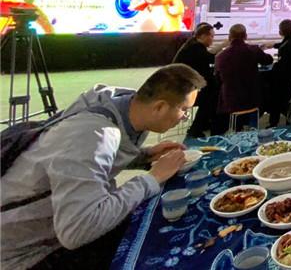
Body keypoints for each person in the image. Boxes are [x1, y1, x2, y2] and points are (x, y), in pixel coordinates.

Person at [1, 64, 205, 270]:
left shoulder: (121, 107)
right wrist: (152, 178)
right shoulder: (95, 134)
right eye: (184, 110)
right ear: (159, 107)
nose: (184, 118)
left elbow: (87, 160)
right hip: (22, 254)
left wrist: (144, 156)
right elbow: (77, 230)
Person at [215, 24, 273, 128]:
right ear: (245, 36)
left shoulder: (220, 56)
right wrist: (260, 51)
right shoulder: (253, 50)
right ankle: (253, 131)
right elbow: (268, 60)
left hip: (230, 102)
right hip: (253, 100)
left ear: (229, 37)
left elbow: (218, 78)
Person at [173, 22, 217, 137]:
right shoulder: (196, 49)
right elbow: (206, 74)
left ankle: (204, 123)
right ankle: (196, 129)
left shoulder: (192, 45)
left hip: (179, 86)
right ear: (203, 36)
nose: (212, 40)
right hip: (182, 91)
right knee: (212, 95)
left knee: (211, 91)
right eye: (211, 36)